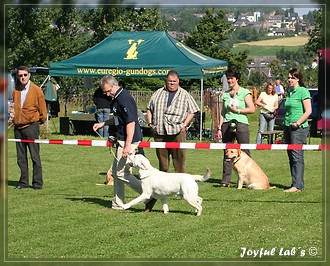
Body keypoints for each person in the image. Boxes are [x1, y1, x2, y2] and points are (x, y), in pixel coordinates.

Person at [92, 76, 155, 210]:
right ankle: (117, 203)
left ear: (115, 85)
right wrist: (103, 123)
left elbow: (130, 122)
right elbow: (118, 119)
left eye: (108, 91)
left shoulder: (123, 98)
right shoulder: (116, 98)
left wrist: (127, 145)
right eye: (105, 92)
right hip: (122, 138)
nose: (107, 94)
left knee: (121, 173)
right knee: (116, 172)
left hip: (129, 140)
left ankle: (149, 194)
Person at [146, 70, 199, 173]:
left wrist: (184, 124)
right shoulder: (158, 93)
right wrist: (150, 124)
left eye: (174, 81)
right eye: (170, 81)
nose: (172, 83)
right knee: (163, 162)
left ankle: (180, 185)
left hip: (177, 132)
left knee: (179, 161)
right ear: (166, 81)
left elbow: (193, 111)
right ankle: (163, 185)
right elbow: (149, 109)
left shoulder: (184, 94)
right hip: (160, 131)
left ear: (178, 81)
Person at [217, 68, 255, 187]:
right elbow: (222, 112)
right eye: (228, 78)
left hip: (241, 124)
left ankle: (248, 178)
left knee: (245, 151)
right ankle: (225, 181)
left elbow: (252, 109)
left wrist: (238, 110)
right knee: (227, 152)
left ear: (236, 79)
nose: (229, 81)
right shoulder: (225, 94)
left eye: (231, 78)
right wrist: (219, 127)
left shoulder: (245, 92)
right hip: (227, 124)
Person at [12, 66, 47, 189]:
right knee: (21, 158)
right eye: (20, 75)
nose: (22, 77)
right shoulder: (15, 90)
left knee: (34, 156)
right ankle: (23, 182)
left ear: (29, 75)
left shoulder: (37, 90)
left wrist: (39, 122)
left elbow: (43, 111)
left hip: (31, 126)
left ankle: (37, 183)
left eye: (25, 75)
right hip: (18, 127)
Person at [283, 68, 311, 192]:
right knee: (291, 156)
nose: (289, 80)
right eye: (288, 78)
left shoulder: (303, 91)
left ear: (298, 79)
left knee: (297, 157)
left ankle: (298, 186)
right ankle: (294, 183)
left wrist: (298, 123)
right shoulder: (289, 91)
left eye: (292, 78)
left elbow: (308, 111)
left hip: (298, 128)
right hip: (288, 126)